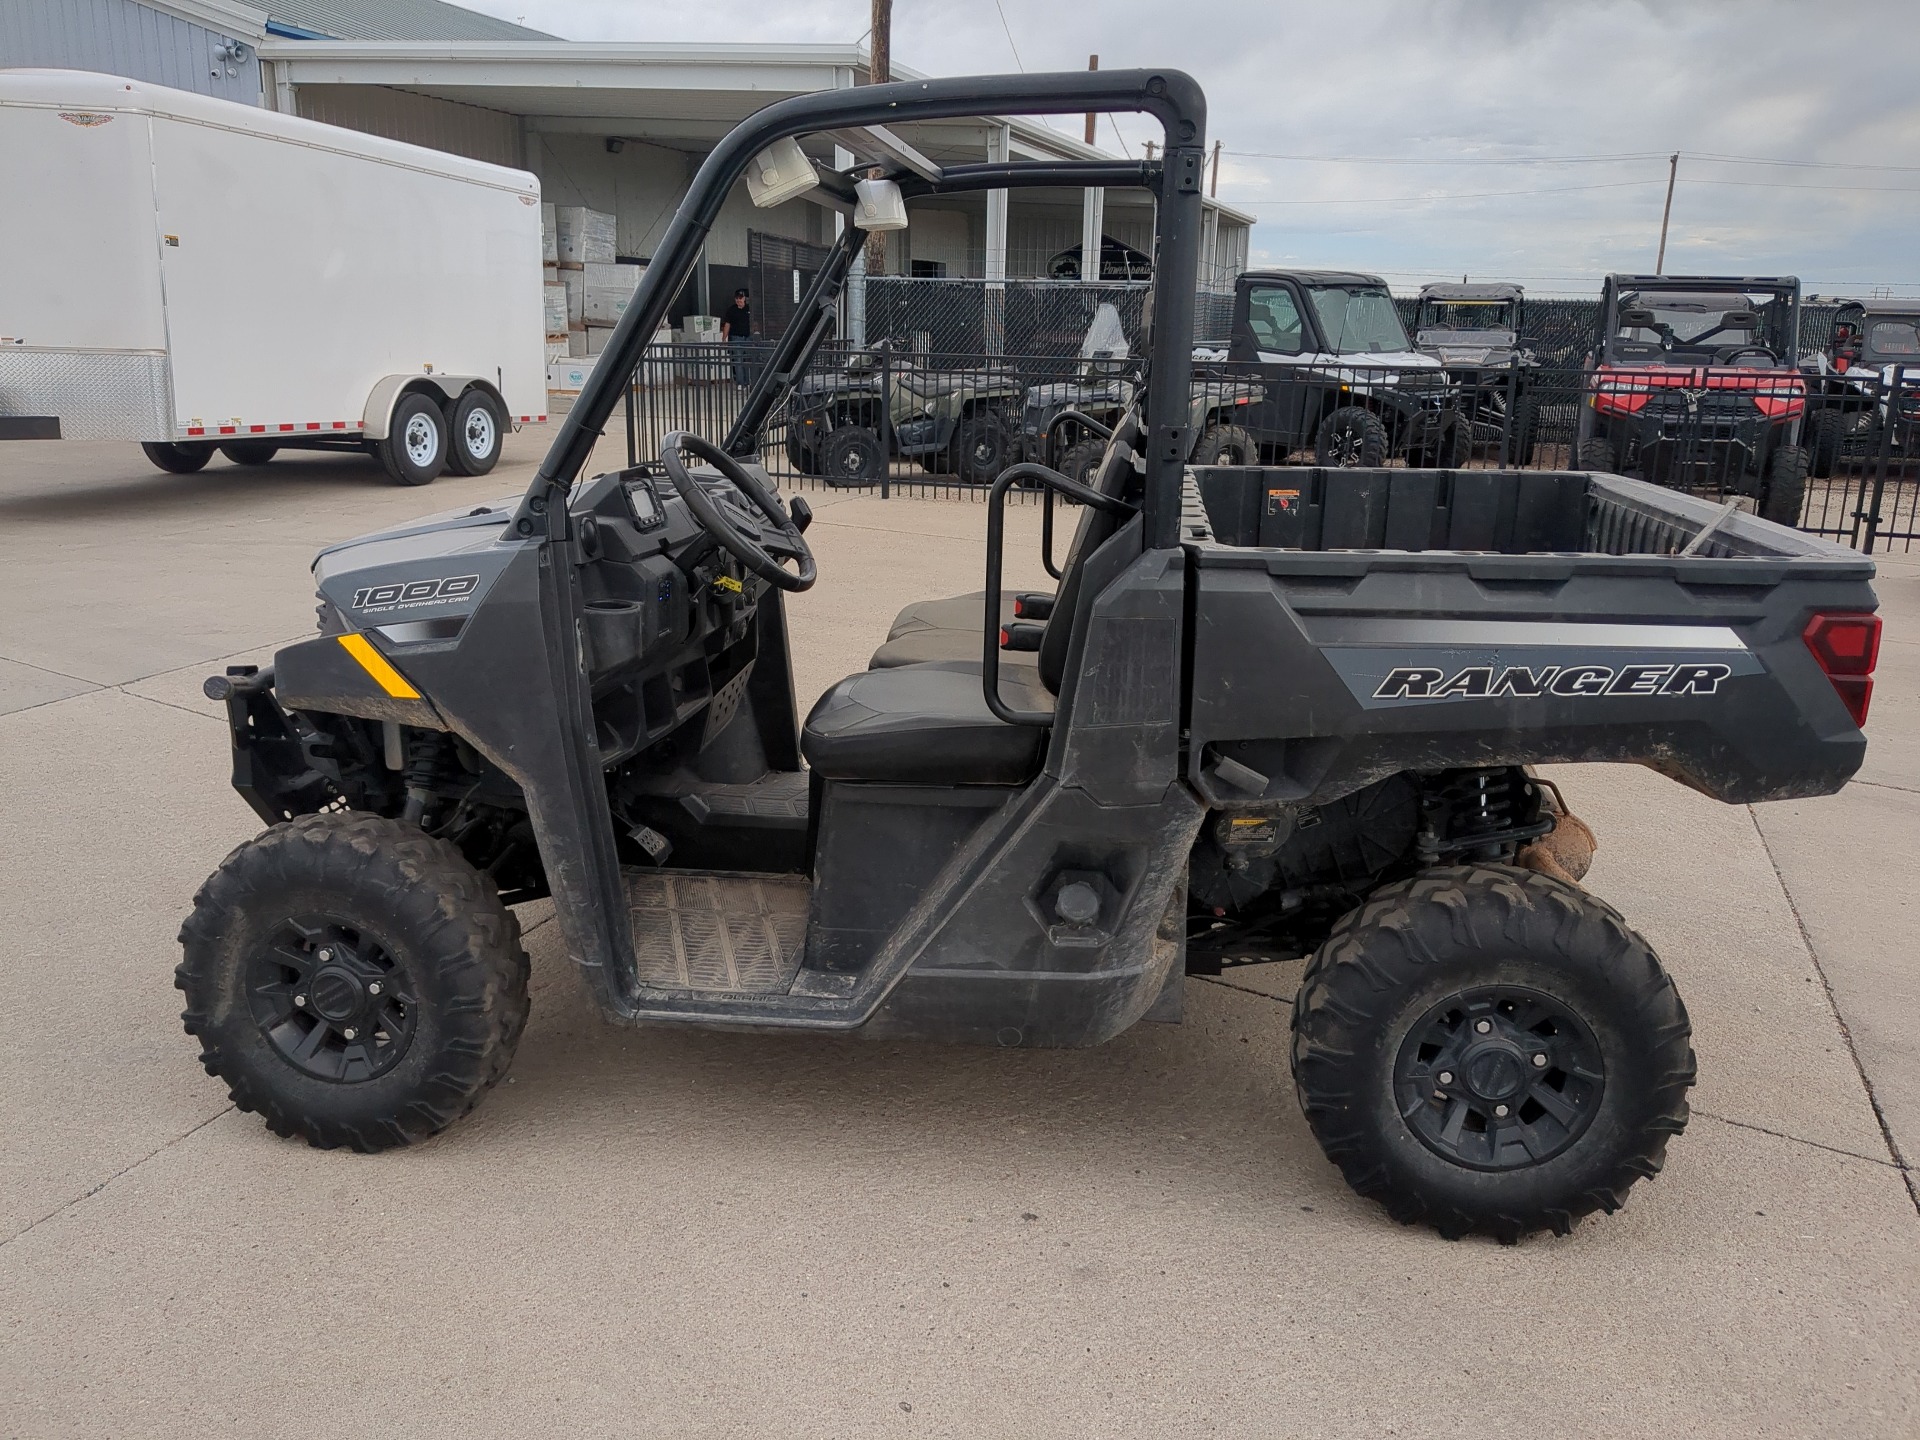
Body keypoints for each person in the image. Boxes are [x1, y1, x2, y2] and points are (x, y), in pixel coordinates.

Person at [722, 288, 754, 386]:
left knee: (748, 360)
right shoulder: (731, 310)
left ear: (745, 298)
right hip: (736, 338)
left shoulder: (750, 309)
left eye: (740, 298)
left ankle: (749, 382)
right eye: (737, 298)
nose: (738, 300)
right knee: (738, 361)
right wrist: (724, 338)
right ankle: (741, 383)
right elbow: (727, 324)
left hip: (748, 337)